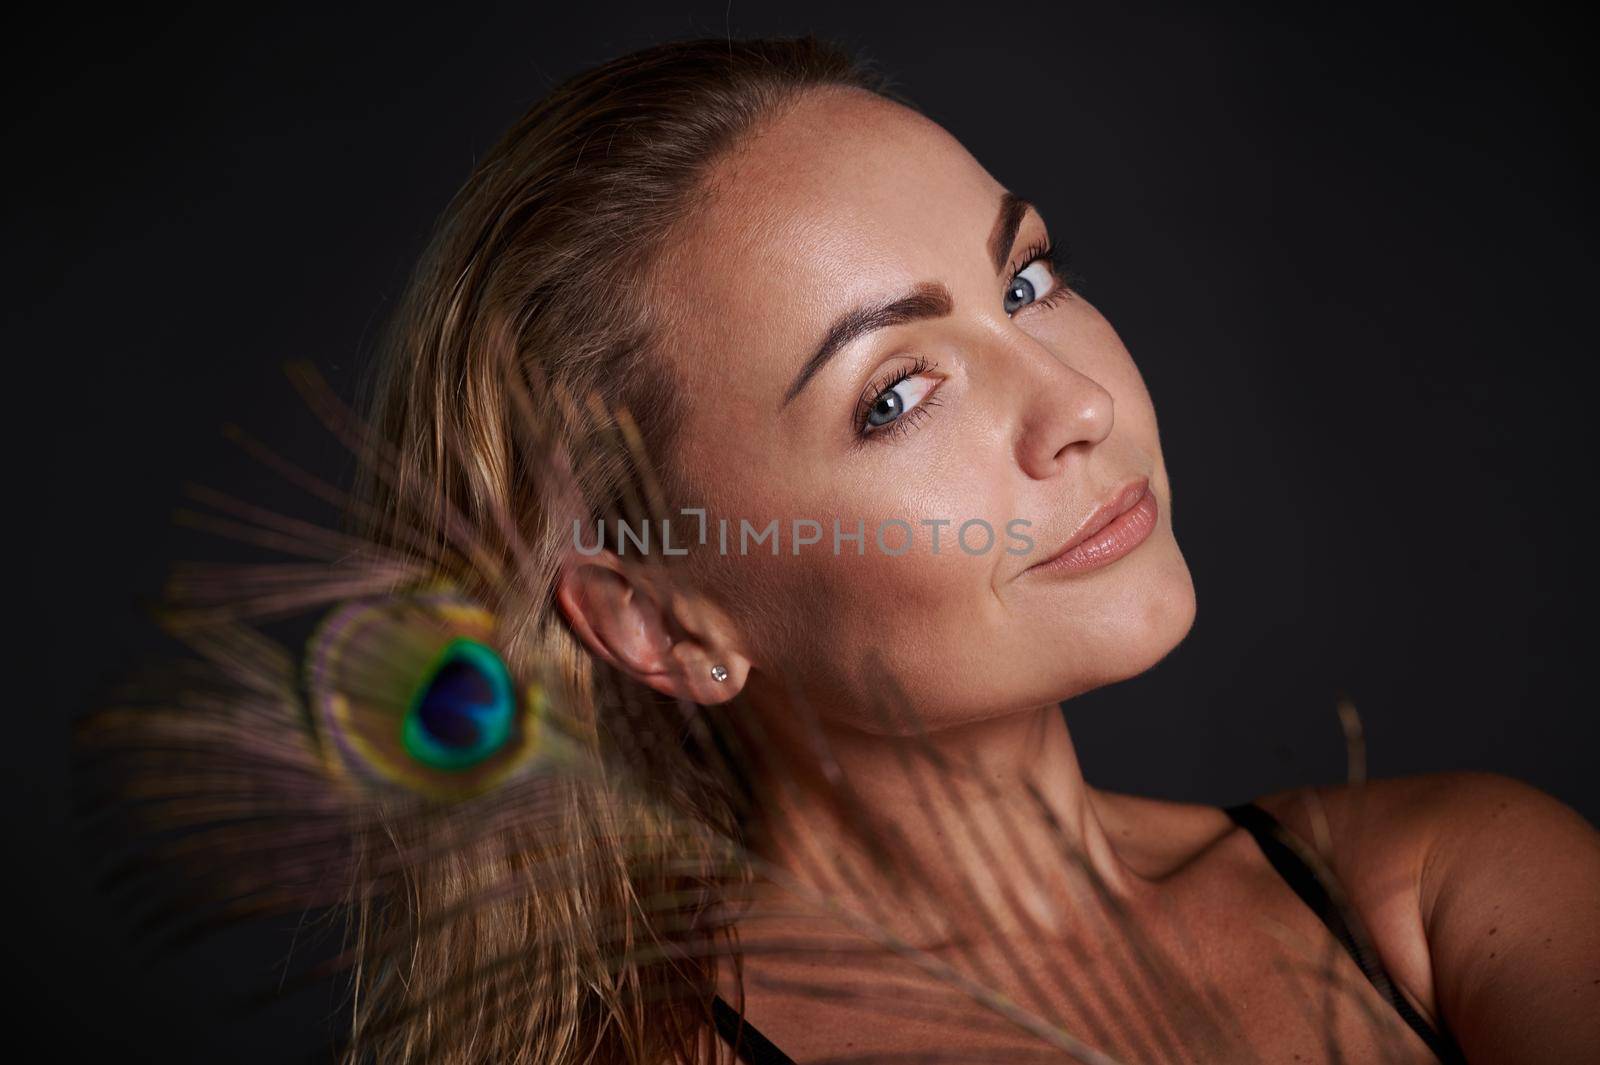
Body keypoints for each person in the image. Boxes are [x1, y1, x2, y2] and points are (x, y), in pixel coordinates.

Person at [122, 33, 1598, 1065]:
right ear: (661, 619)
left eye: (1025, 279)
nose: (1079, 403)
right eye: (894, 394)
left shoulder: (1450, 889)